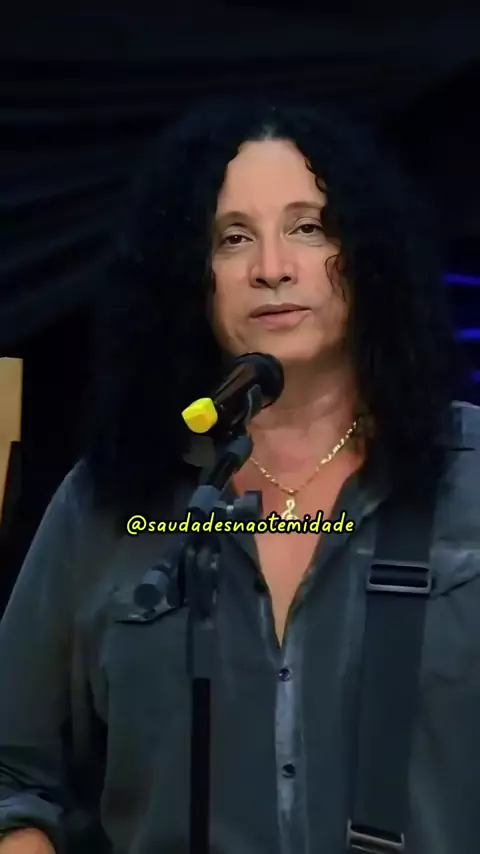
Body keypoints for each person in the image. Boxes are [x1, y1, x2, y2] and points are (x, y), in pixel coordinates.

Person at [0, 97, 479, 854]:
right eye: (233, 238)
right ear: (192, 276)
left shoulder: (468, 474)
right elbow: (12, 768)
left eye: (308, 227)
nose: (272, 268)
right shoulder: (107, 499)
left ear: (369, 255)